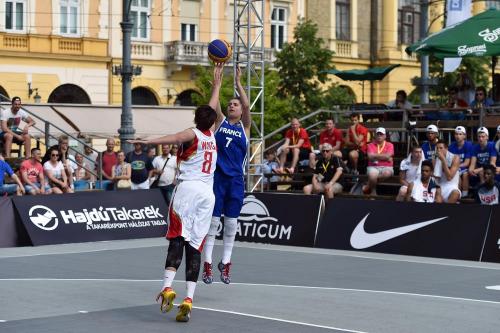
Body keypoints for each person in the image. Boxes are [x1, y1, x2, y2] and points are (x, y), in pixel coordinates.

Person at [130, 69, 220, 322]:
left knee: (176, 240)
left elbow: (175, 137)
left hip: (188, 192)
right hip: (207, 195)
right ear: (211, 122)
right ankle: (189, 299)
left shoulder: (193, 134)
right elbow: (210, 109)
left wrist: (147, 143)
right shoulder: (211, 135)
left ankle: (167, 288)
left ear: (195, 118)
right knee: (195, 246)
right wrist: (216, 85)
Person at [202, 64, 250, 286]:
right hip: (218, 179)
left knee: (231, 225)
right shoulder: (220, 123)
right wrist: (217, 84)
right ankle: (208, 265)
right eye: (230, 104)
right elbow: (213, 107)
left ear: (240, 111)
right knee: (213, 224)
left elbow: (248, 105)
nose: (232, 105)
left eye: (235, 104)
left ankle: (226, 263)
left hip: (236, 182)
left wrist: (239, 83)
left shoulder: (245, 127)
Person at [363, 127, 394, 195]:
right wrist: (385, 157)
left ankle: (369, 184)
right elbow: (370, 157)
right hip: (373, 166)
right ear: (375, 135)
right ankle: (373, 191)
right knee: (372, 175)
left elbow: (387, 156)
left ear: (385, 136)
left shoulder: (390, 145)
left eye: (381, 134)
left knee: (386, 174)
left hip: (387, 167)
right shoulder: (370, 145)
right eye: (378, 134)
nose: (379, 136)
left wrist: (375, 156)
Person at [448, 126, 473, 197]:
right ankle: (458, 195)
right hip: (455, 167)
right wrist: (455, 168)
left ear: (464, 136)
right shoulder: (451, 146)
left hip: (465, 167)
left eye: (460, 134)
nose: (458, 136)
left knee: (464, 174)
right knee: (456, 174)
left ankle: (465, 195)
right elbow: (450, 162)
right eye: (456, 134)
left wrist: (456, 167)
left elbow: (466, 163)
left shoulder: (468, 145)